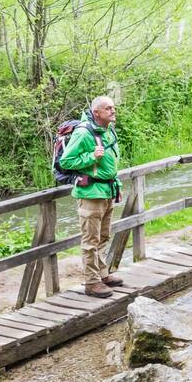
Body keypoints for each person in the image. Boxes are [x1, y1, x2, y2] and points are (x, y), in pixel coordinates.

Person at [59, 95, 123, 296]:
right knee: (90, 241)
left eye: (113, 107)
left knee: (103, 236)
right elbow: (66, 162)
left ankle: (103, 275)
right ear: (97, 112)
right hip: (90, 194)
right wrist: (90, 156)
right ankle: (91, 283)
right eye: (108, 108)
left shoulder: (108, 129)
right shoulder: (83, 133)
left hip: (107, 191)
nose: (113, 111)